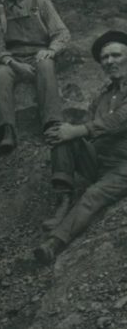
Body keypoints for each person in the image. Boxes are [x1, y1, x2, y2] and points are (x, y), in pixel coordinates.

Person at [34, 31, 127, 264]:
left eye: (116, 55)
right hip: (100, 160)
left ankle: (53, 243)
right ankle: (64, 200)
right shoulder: (104, 94)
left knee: (93, 194)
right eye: (105, 58)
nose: (110, 61)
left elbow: (119, 121)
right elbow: (91, 125)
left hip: (123, 167)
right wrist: (68, 132)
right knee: (61, 135)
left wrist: (78, 130)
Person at [0, 0, 70, 153]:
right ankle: (6, 130)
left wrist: (51, 50)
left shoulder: (40, 3)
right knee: (0, 74)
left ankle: (52, 123)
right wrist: (15, 65)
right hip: (13, 60)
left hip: (39, 54)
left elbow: (62, 33)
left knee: (46, 65)